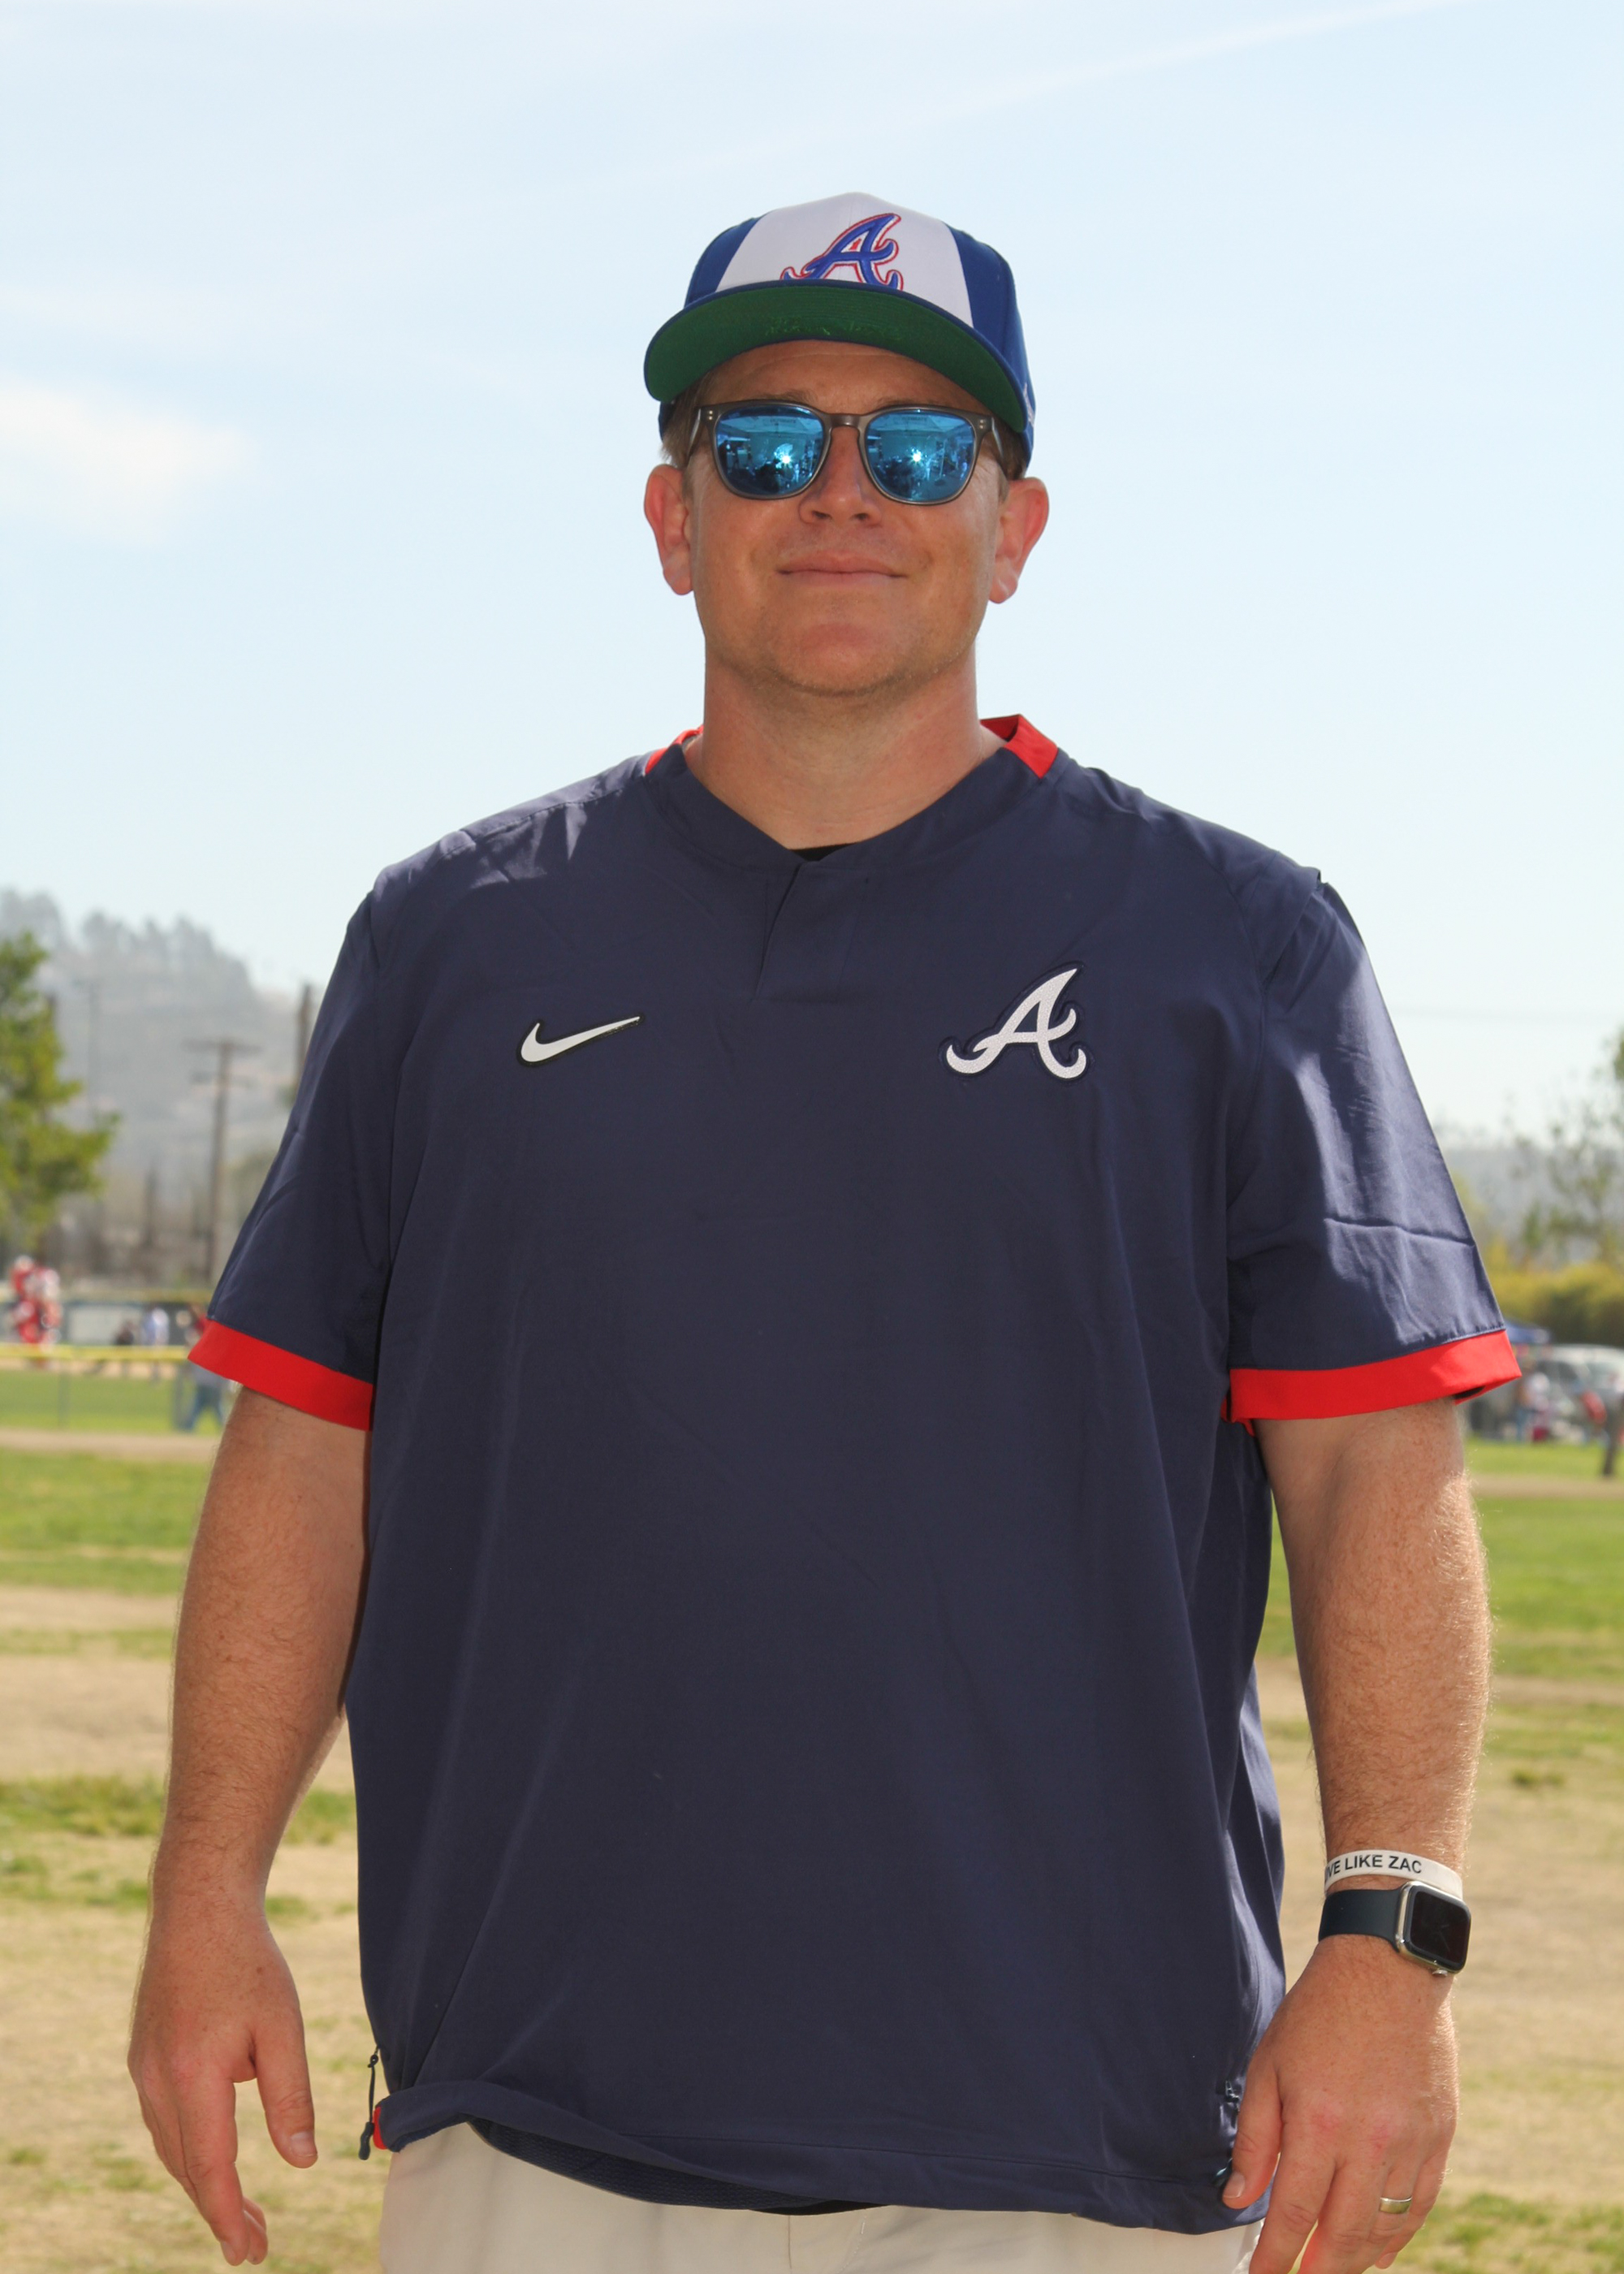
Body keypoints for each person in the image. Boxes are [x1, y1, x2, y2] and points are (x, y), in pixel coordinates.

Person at [131, 193, 1519, 2274]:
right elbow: (308, 1444)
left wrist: (1389, 1938)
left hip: (1081, 2118)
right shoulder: (451, 939)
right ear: (673, 519)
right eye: (767, 444)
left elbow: (1374, 1466)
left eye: (919, 449)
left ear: (1014, 527)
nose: (842, 495)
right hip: (542, 2105)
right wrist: (203, 1889)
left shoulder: (1233, 945)